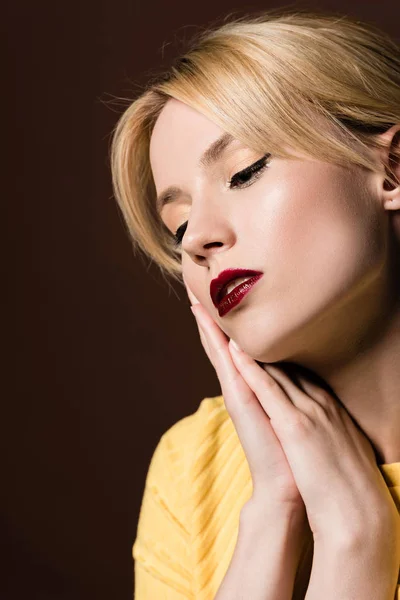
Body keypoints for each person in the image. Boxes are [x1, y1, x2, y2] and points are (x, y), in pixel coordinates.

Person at [110, 9, 400, 599]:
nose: (196, 238)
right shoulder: (194, 465)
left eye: (244, 171)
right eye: (178, 222)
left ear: (391, 170)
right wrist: (282, 516)